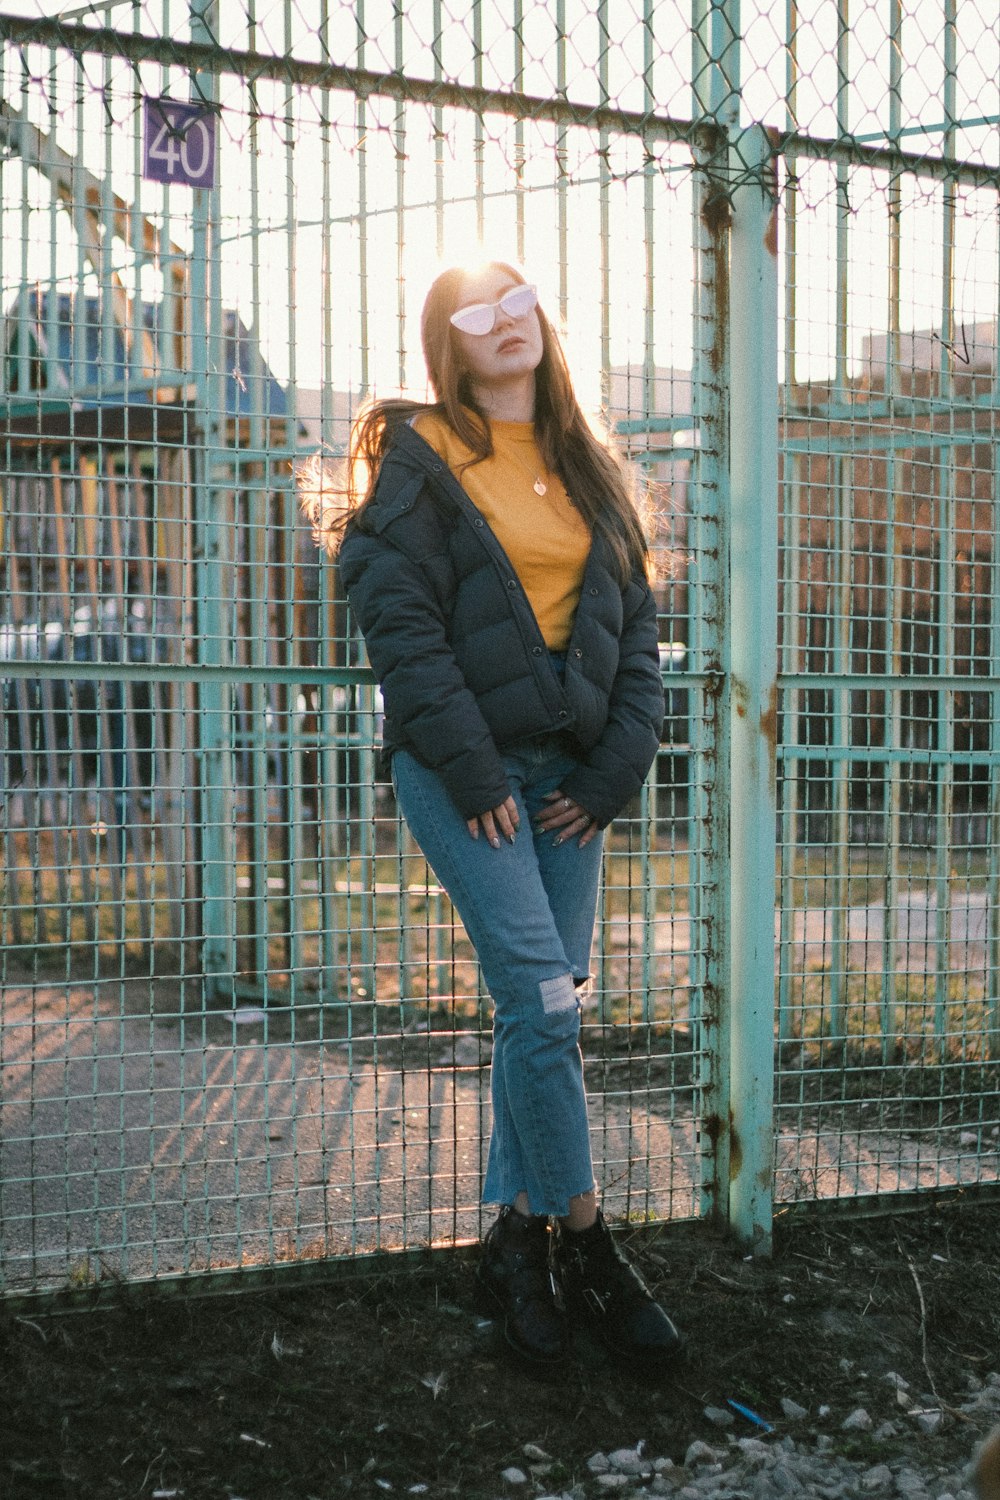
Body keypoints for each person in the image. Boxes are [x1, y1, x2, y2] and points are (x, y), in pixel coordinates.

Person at [303, 260, 680, 1368]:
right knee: (546, 1007)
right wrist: (474, 775)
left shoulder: (592, 473)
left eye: (518, 302)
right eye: (477, 310)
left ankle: (513, 1245)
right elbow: (403, 633)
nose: (503, 321)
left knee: (543, 1013)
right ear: (448, 342)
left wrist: (610, 779)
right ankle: (590, 1242)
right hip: (468, 780)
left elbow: (641, 648)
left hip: (569, 791)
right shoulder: (418, 466)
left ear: (541, 324)